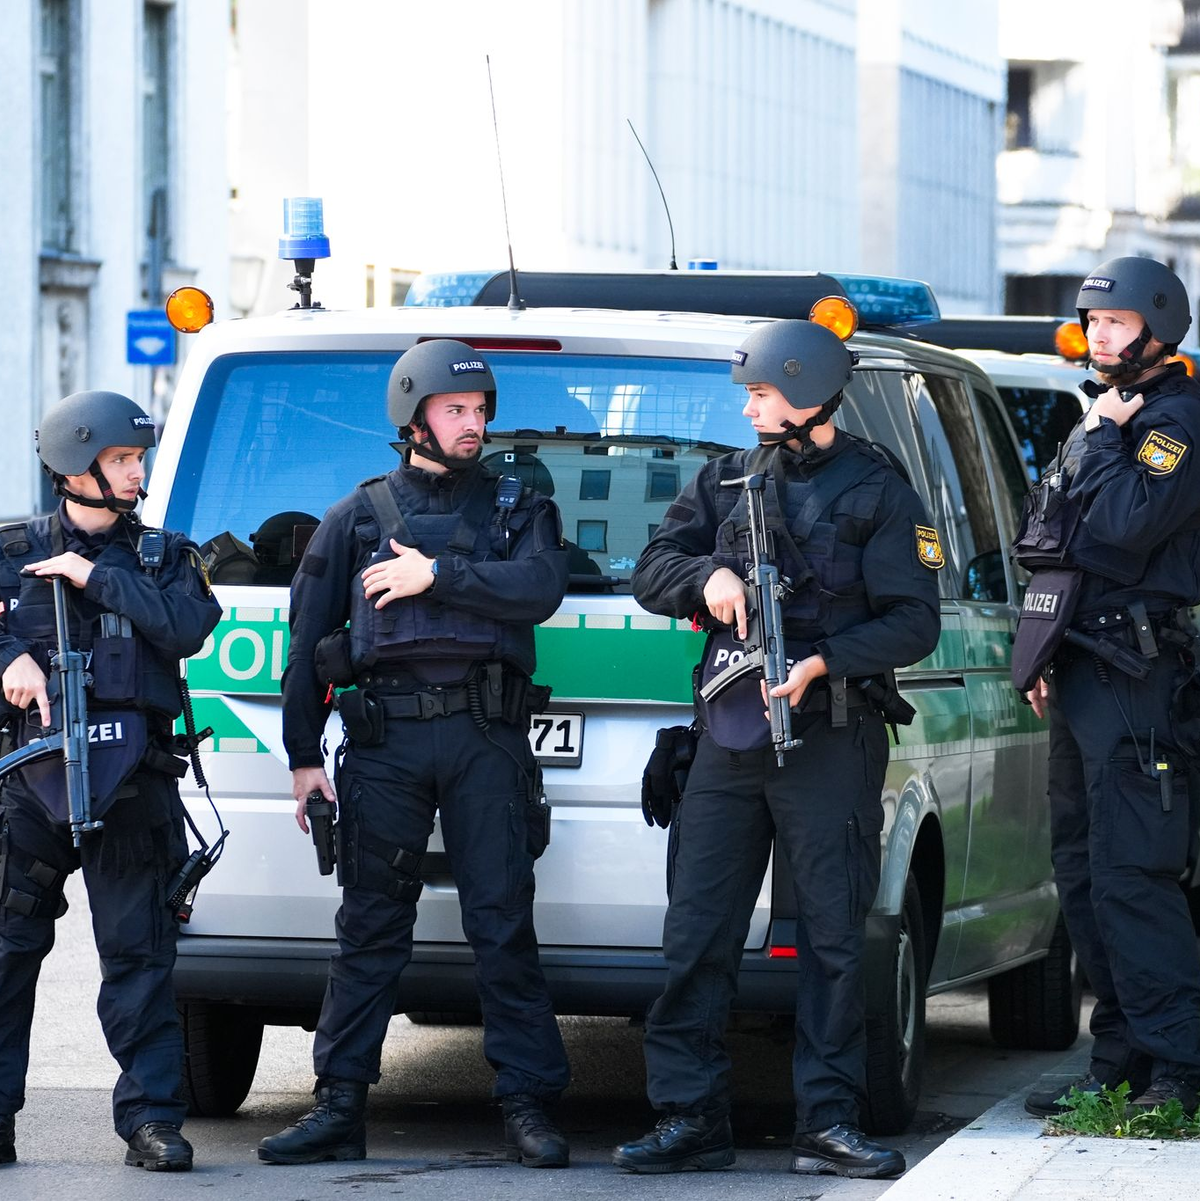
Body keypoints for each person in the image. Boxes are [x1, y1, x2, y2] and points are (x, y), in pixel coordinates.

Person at [613, 319, 941, 1178]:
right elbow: (653, 564)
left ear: (809, 389)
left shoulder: (877, 489)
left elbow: (916, 620)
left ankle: (827, 1121)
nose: (750, 407)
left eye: (760, 392)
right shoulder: (725, 479)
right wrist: (706, 577)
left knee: (834, 938)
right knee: (696, 934)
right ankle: (689, 1116)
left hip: (829, 733)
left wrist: (827, 658)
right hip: (727, 737)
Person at [258, 339, 572, 1168]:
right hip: (386, 741)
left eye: (479, 412)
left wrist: (440, 576)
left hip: (485, 736)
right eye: (455, 411)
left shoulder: (516, 503)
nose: (472, 425)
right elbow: (307, 640)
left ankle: (529, 1104)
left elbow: (540, 589)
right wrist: (302, 755)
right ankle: (338, 1105)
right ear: (414, 417)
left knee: (502, 921)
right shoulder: (355, 516)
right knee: (369, 926)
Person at [0, 390, 221, 1171]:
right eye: (123, 459)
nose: (136, 473)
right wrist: (9, 659)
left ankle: (152, 1120)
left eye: (137, 459)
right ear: (73, 467)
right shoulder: (9, 549)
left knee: (138, 956)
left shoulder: (163, 557)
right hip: (32, 785)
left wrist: (93, 580)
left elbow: (190, 626)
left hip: (132, 787)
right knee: (7, 947)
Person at [1015, 257, 1200, 1119]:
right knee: (1083, 872)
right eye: (1093, 324)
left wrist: (1098, 439)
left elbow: (1125, 526)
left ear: (1160, 328)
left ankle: (1179, 1066)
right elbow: (1049, 536)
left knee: (1134, 873)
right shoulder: (1104, 419)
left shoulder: (1172, 422)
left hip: (1140, 673)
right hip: (1083, 665)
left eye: (1117, 323)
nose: (1100, 338)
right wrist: (1045, 649)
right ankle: (1118, 1058)